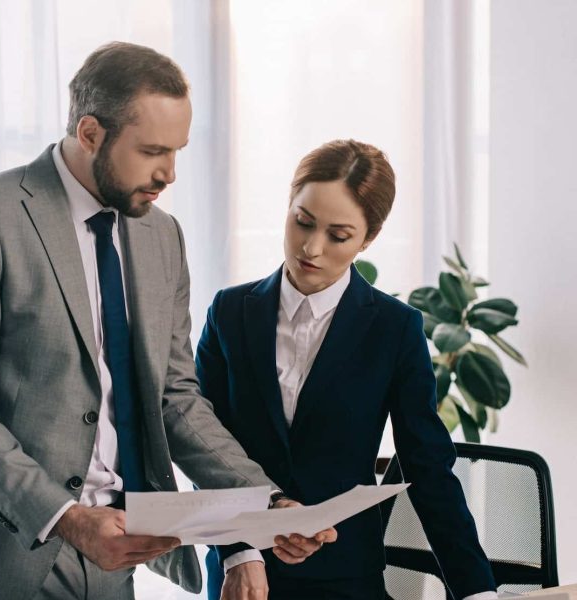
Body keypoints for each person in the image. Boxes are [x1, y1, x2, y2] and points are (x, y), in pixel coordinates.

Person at [0, 42, 335, 600]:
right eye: (152, 150)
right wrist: (66, 517)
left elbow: (175, 396)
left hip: (116, 554)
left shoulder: (161, 235)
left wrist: (263, 504)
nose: (170, 173)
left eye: (177, 151)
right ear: (89, 133)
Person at [196, 139, 499, 600]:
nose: (311, 248)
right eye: (302, 222)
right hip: (243, 573)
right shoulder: (230, 312)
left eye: (338, 236)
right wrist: (240, 552)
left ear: (368, 238)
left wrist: (477, 591)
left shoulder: (396, 328)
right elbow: (204, 444)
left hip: (344, 579)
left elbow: (428, 465)